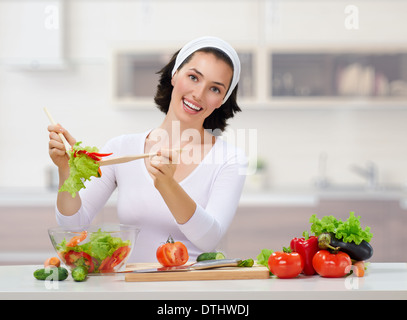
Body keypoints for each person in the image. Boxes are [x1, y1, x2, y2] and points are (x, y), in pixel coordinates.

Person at [47, 36, 248, 262]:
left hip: (194, 288)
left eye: (215, 89)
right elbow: (73, 226)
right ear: (175, 75)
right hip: (133, 288)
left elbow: (209, 238)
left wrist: (167, 185)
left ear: (221, 100)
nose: (199, 94)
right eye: (193, 77)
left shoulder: (230, 159)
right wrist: (66, 172)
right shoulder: (121, 148)